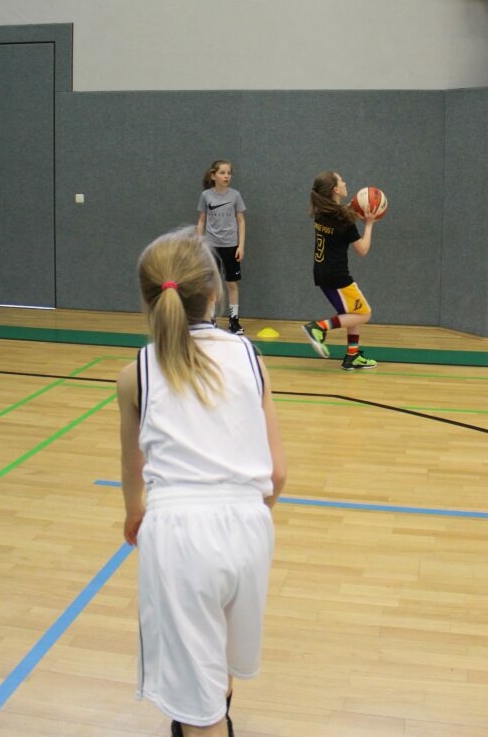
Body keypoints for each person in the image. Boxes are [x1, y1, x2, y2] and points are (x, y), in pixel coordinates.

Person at [117, 227, 286, 737]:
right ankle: (217, 712)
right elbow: (278, 473)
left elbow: (133, 466)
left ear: (148, 300)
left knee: (197, 709)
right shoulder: (251, 357)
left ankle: (206, 721)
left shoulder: (136, 373)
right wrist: (245, 516)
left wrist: (134, 513)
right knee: (222, 653)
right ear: (214, 292)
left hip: (180, 535)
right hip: (250, 526)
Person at [302, 170, 379, 370]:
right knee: (364, 313)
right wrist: (369, 225)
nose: (345, 183)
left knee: (352, 311)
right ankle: (319, 327)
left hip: (321, 272)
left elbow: (339, 217)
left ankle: (352, 356)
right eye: (341, 181)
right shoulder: (343, 219)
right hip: (337, 276)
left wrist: (353, 210)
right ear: (335, 189)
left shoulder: (321, 212)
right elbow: (362, 249)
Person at [196, 160, 246, 335]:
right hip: (211, 246)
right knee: (212, 286)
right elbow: (201, 221)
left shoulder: (235, 195)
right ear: (213, 175)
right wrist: (199, 244)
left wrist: (241, 245)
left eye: (229, 173)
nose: (226, 176)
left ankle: (234, 321)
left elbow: (241, 221)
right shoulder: (206, 196)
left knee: (231, 284)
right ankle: (210, 319)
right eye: (222, 173)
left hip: (231, 246)